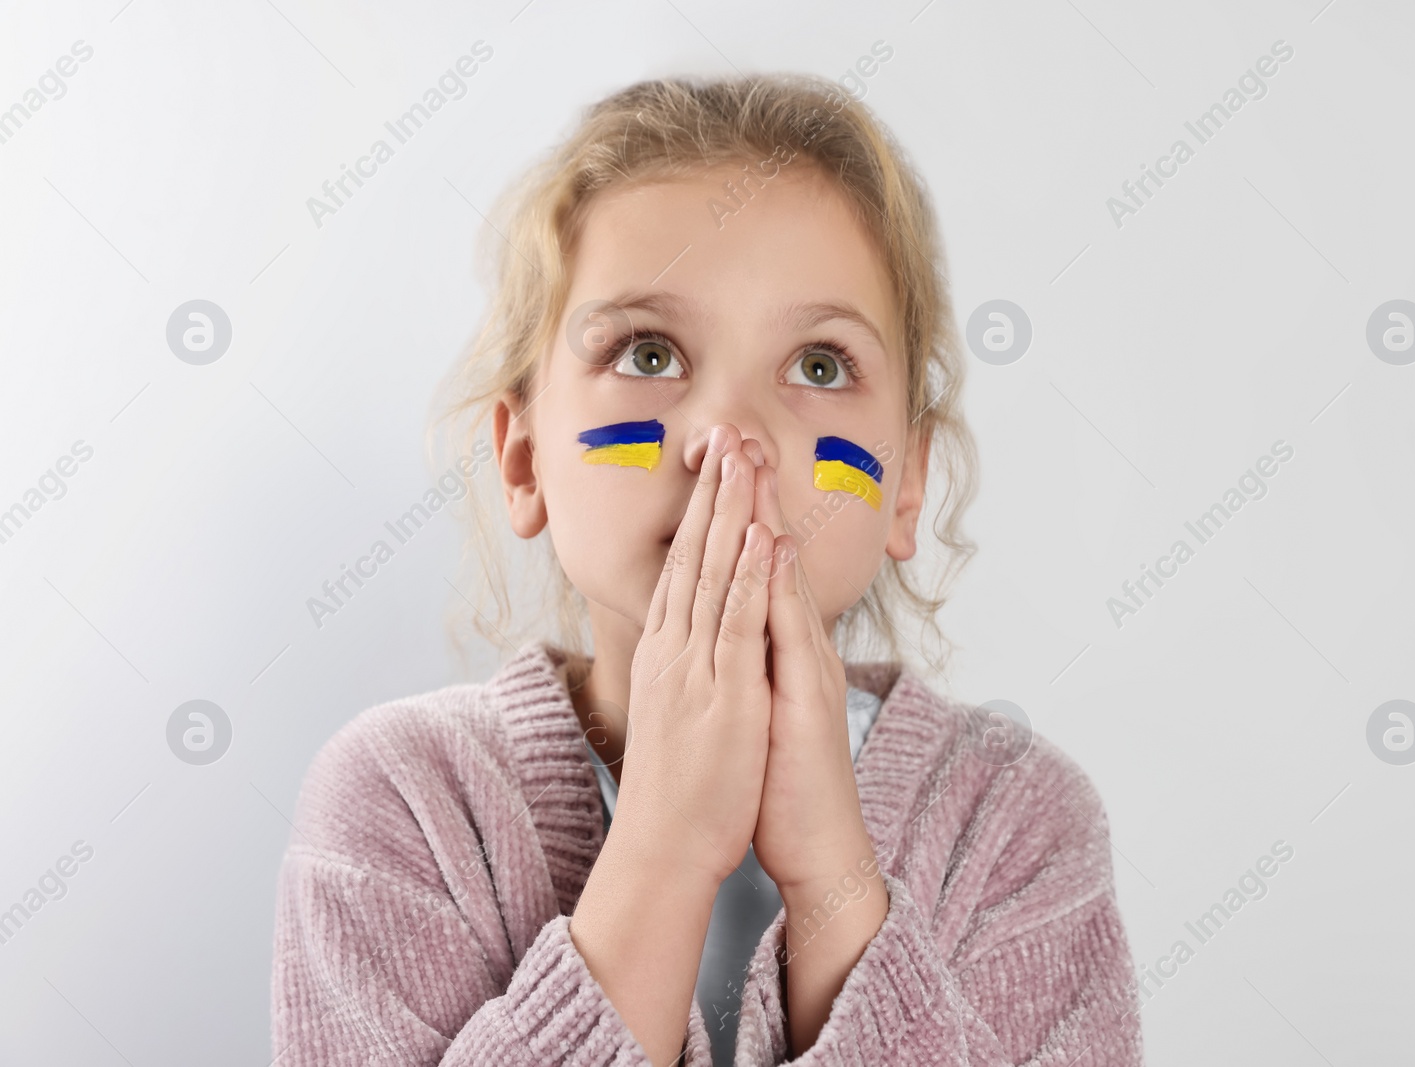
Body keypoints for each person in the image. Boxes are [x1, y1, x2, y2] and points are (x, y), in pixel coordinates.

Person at [270, 72, 1143, 1066]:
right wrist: (664, 849)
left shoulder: (1017, 822)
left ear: (906, 487)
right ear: (522, 460)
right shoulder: (406, 802)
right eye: (648, 352)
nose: (731, 435)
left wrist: (836, 881)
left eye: (819, 365)